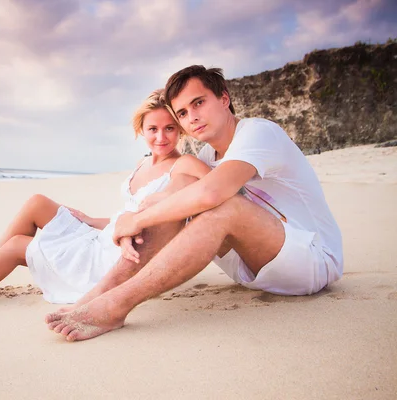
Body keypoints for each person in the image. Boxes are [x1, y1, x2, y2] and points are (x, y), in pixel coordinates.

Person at [46, 65, 343, 342]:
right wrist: (134, 219)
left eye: (199, 103)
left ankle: (115, 305)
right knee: (181, 186)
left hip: (311, 262)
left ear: (224, 98)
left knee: (221, 206)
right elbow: (176, 198)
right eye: (183, 113)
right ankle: (104, 289)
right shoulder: (203, 159)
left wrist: (136, 221)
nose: (192, 117)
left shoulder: (258, 132)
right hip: (250, 269)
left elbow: (212, 194)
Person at [0, 89, 210, 313]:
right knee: (38, 202)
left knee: (16, 247)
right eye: (153, 129)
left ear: (180, 130)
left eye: (170, 128)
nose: (161, 137)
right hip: (108, 234)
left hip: (114, 257)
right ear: (141, 129)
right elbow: (123, 214)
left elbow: (195, 190)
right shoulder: (143, 163)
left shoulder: (184, 165)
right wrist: (89, 219)